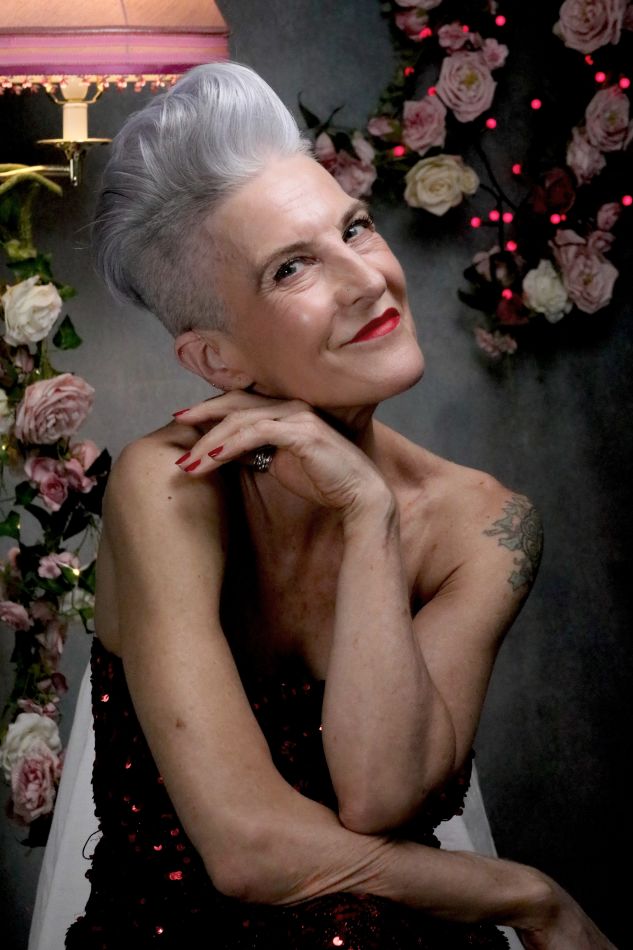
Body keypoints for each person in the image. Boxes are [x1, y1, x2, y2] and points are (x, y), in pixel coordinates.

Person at [60, 62, 613, 948]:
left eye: (354, 227)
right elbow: (246, 851)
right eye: (291, 268)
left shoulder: (483, 523)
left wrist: (368, 515)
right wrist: (526, 895)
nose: (365, 280)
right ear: (216, 360)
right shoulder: (170, 483)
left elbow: (381, 794)